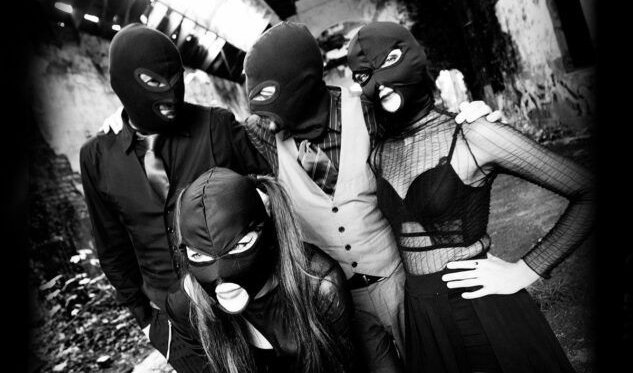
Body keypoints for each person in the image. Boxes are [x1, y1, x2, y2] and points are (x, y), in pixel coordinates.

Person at [241, 21, 496, 373]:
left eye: (270, 97)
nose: (264, 119)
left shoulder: (366, 110)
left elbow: (422, 131)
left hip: (400, 280)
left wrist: (469, 123)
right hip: (343, 301)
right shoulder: (266, 138)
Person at [347, 21, 595, 373]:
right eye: (364, 75)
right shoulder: (380, 153)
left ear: (415, 56)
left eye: (389, 60)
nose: (380, 81)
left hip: (481, 309)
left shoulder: (471, 134)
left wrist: (524, 270)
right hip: (424, 322)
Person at [79, 24, 270, 372]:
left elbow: (273, 195)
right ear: (121, 84)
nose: (170, 92)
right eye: (153, 81)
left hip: (245, 307)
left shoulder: (216, 126)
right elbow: (111, 247)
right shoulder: (97, 158)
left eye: (176, 77)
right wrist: (146, 320)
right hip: (174, 327)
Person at [165, 167, 358, 373]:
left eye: (239, 246)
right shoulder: (189, 306)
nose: (220, 275)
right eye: (198, 255)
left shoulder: (320, 286)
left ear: (266, 232)